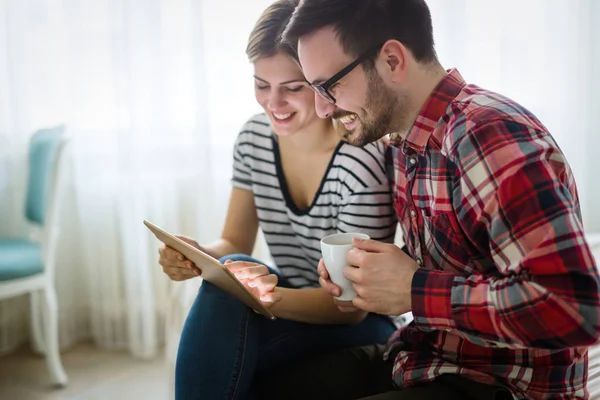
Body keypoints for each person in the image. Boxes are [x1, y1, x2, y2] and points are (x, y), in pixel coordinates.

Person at [255, 0, 600, 399]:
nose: (322, 108)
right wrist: (372, 283)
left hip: (502, 383)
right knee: (260, 388)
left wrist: (415, 289)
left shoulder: (489, 135)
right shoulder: (402, 140)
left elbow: (575, 309)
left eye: (328, 86)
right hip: (425, 360)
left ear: (391, 60)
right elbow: (461, 257)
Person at [157, 1, 399, 399]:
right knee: (233, 270)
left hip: (359, 320)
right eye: (261, 85)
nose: (273, 104)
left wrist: (258, 293)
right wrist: (200, 255)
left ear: (323, 86)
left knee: (232, 318)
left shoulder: (359, 159)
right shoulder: (253, 139)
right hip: (291, 299)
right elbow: (234, 242)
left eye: (292, 88)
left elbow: (352, 305)